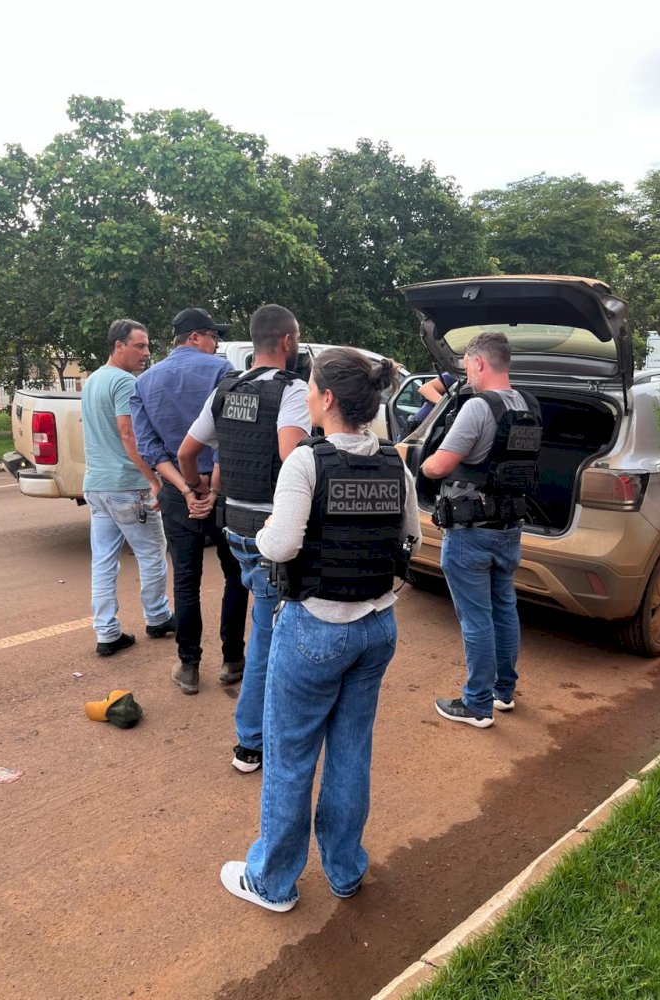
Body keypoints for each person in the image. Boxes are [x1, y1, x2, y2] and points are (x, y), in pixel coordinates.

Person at [218, 347, 421, 911]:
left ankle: (273, 882)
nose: (305, 394)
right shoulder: (393, 462)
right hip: (378, 627)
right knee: (351, 751)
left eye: (309, 386)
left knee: (289, 756)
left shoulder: (307, 462)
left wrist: (258, 539)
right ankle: (345, 869)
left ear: (328, 398)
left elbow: (281, 545)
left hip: (315, 628)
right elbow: (414, 540)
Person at [177, 304, 311, 772]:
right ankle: (251, 740)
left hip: (234, 526)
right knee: (271, 634)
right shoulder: (293, 389)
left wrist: (198, 488)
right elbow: (292, 457)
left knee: (265, 620)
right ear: (288, 341)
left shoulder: (226, 388)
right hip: (273, 531)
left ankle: (258, 731)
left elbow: (186, 451)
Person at [421, 331, 543, 728]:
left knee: (476, 619)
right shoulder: (530, 405)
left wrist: (422, 467)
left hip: (470, 532)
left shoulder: (478, 408)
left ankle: (476, 705)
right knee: (504, 609)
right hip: (509, 527)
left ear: (478, 363)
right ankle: (503, 692)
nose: (466, 374)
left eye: (467, 366)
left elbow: (438, 466)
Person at [130, 307, 249, 695]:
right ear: (197, 337)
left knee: (186, 580)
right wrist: (210, 491)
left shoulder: (143, 381)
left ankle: (189, 667)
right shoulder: (221, 372)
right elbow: (232, 438)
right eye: (214, 337)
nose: (217, 345)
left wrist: (184, 489)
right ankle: (233, 660)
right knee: (236, 575)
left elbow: (150, 449)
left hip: (179, 494)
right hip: (223, 489)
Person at [82, 319, 173, 656]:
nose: (146, 353)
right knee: (151, 554)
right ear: (118, 346)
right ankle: (159, 617)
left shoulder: (92, 380)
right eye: (140, 345)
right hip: (128, 486)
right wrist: (152, 477)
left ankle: (107, 633)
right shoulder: (123, 382)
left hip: (96, 486)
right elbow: (128, 434)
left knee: (103, 560)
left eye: (147, 346)